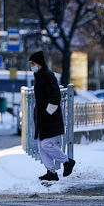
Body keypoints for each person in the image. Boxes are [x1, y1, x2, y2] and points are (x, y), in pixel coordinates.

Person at [30, 50, 75, 181]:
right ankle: (51, 172)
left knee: (46, 144)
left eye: (33, 63)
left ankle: (67, 161)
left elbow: (56, 96)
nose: (31, 65)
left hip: (50, 118)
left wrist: (47, 113)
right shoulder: (39, 76)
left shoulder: (48, 76)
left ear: (39, 64)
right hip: (43, 118)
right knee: (41, 145)